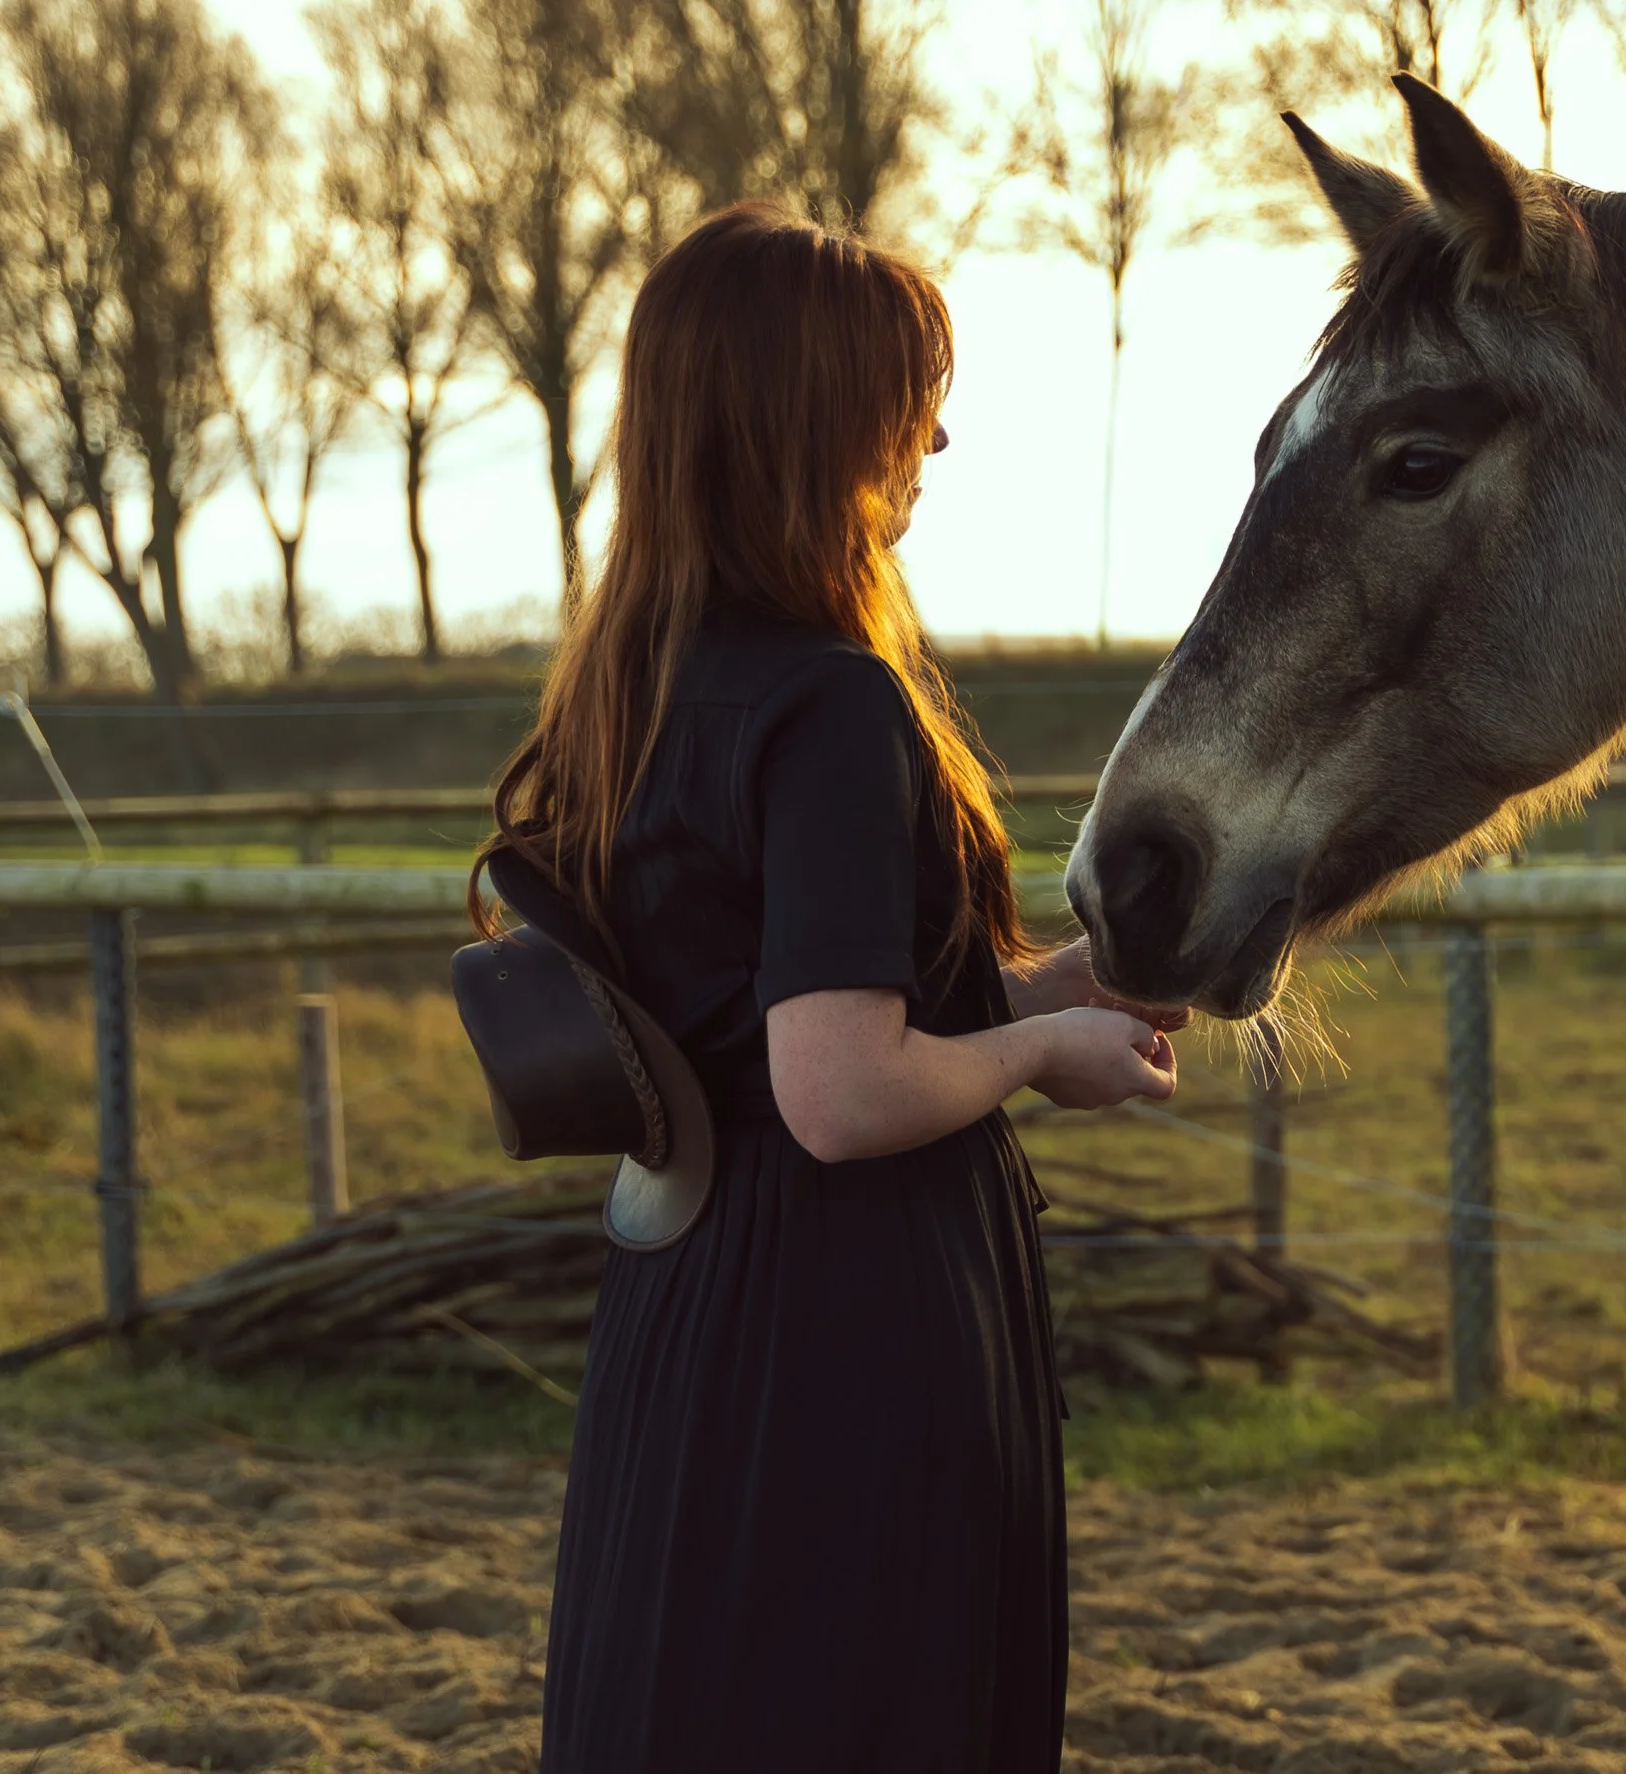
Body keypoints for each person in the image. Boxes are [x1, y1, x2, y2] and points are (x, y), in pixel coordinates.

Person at [477, 202, 1185, 1774]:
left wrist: (1057, 986)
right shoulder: (836, 702)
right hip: (854, 1321)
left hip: (694, 1301)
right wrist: (1046, 1048)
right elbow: (843, 1088)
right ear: (812, 420)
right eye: (905, 389)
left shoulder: (640, 690)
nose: (939, 429)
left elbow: (790, 1010)